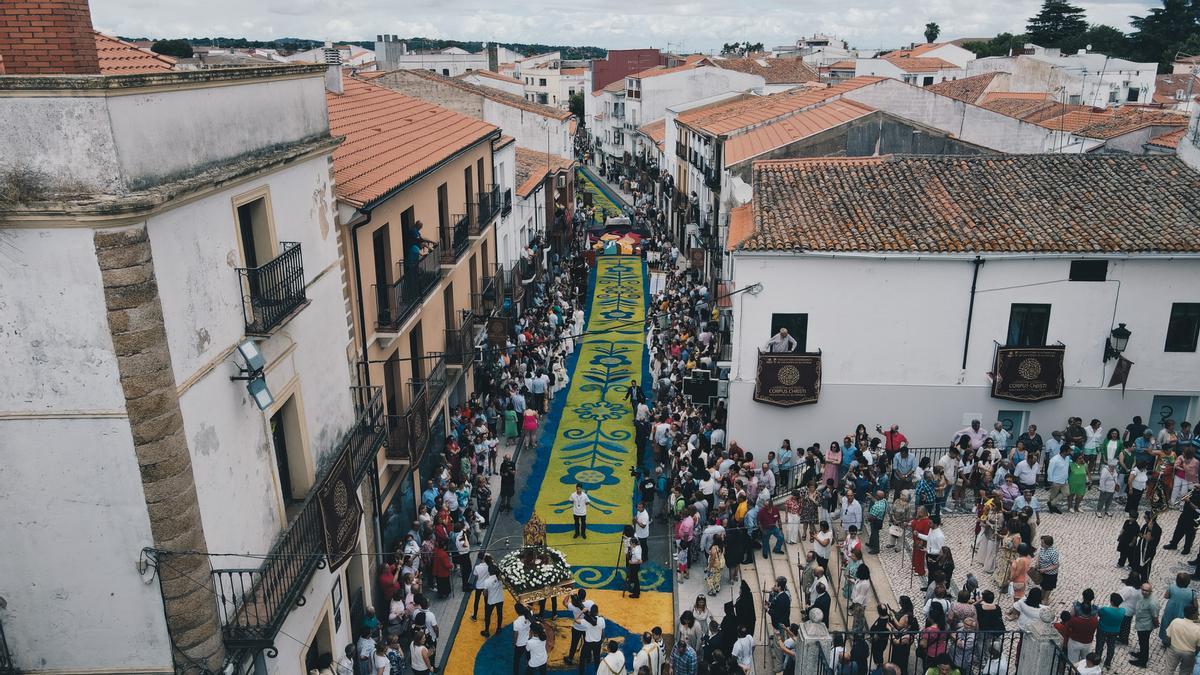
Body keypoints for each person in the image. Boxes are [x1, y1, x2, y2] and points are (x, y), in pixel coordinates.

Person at [1162, 604, 1200, 675]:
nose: (1198, 614)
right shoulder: (1198, 629)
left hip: (1173, 649)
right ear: (1193, 615)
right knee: (1185, 672)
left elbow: (1167, 638)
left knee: (1169, 670)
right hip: (1189, 654)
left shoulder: (1176, 621)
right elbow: (1198, 647)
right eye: (1197, 613)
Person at [1128, 583, 1159, 667]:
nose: (1144, 592)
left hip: (1146, 626)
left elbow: (1155, 617)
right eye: (1143, 590)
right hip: (1141, 623)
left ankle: (1143, 661)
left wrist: (1155, 625)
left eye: (1146, 591)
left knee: (1144, 643)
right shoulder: (1143, 596)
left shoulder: (1152, 603)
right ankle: (1141, 654)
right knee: (1142, 642)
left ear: (1150, 591)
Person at [1159, 573, 1195, 645]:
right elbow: (1195, 605)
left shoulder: (1171, 587)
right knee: (1178, 627)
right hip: (1182, 612)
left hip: (1170, 610)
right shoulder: (1192, 592)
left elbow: (1166, 596)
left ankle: (1165, 641)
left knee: (1166, 624)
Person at [1096, 593, 1124, 669]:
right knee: (1111, 647)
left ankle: (1097, 661)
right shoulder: (1122, 611)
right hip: (1115, 631)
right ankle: (1108, 663)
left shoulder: (1105, 610)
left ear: (1111, 601)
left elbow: (1099, 613)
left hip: (1102, 629)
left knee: (1099, 646)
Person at [578, 605, 606, 675]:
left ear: (590, 612)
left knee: (582, 658)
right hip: (597, 643)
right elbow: (602, 630)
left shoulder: (586, 621)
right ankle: (598, 672)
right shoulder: (601, 620)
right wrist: (602, 638)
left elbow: (576, 620)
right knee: (597, 658)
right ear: (597, 612)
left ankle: (581, 673)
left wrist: (582, 611)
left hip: (588, 644)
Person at [480, 564, 504, 637]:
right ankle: (499, 628)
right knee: (499, 614)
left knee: (488, 615)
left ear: (489, 571)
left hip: (491, 600)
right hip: (500, 599)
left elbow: (485, 593)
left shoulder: (487, 581)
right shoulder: (500, 578)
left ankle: (487, 631)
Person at [1046, 445, 1071, 513]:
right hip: (1056, 481)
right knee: (1053, 495)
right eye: (1069, 450)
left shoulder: (1067, 458)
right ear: (1064, 451)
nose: (1070, 452)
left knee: (1067, 493)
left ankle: (1051, 504)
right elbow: (1050, 470)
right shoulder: (1054, 459)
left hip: (1064, 480)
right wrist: (1050, 480)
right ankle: (1052, 507)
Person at [1035, 535, 1060, 602]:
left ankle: (1045, 599)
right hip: (1042, 572)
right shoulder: (1042, 548)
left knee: (1048, 587)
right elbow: (1039, 556)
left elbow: (1056, 565)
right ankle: (1042, 596)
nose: (1041, 544)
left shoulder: (1053, 552)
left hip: (1050, 574)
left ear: (1047, 544)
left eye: (1042, 543)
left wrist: (1045, 569)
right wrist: (1037, 563)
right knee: (1043, 585)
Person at [512, 603, 531, 675]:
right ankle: (529, 671)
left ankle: (515, 673)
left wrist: (514, 643)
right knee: (529, 657)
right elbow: (532, 609)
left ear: (516, 611)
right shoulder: (529, 616)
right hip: (528, 641)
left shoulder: (516, 622)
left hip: (520, 644)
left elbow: (516, 635)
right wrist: (527, 605)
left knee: (516, 660)